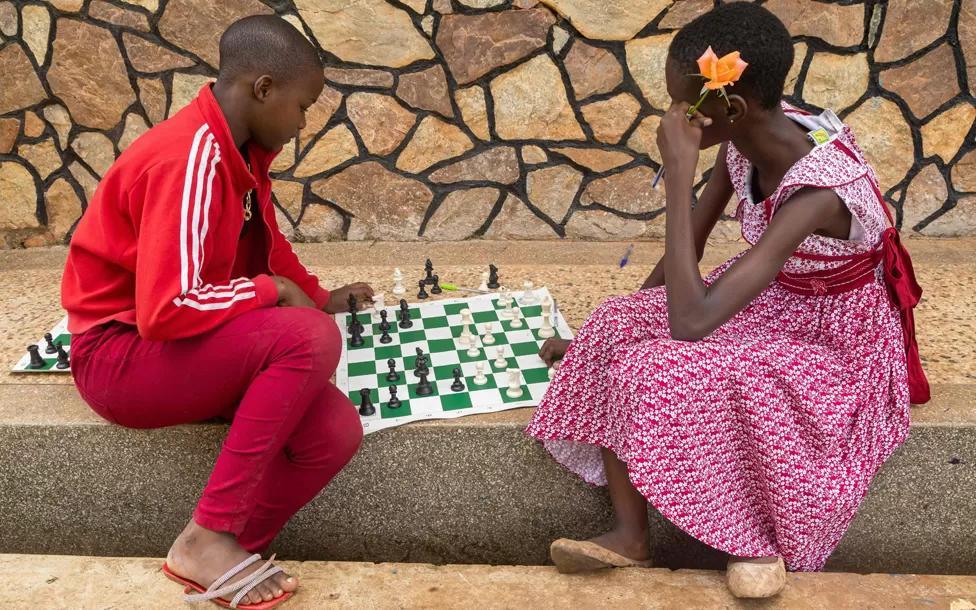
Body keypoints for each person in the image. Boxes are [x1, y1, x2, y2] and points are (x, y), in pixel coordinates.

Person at [526, 2, 929, 599]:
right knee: (615, 325)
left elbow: (691, 324)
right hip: (777, 296)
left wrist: (677, 173)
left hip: (836, 338)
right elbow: (689, 245)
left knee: (657, 366)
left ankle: (755, 542)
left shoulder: (820, 192)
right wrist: (607, 335)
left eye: (682, 106)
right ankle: (630, 536)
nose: (671, 117)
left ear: (731, 108)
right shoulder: (743, 138)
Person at [60, 15, 372, 608]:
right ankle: (206, 537)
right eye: (303, 107)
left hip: (172, 344)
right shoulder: (190, 158)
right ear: (264, 89)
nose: (303, 124)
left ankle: (232, 549)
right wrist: (272, 293)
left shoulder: (241, 151)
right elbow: (166, 309)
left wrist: (315, 294)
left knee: (334, 432)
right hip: (117, 356)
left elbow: (265, 244)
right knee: (308, 339)